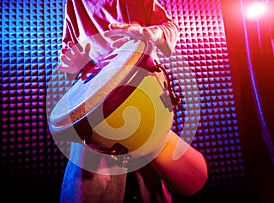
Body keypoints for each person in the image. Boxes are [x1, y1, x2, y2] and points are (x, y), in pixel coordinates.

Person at [57, 0, 209, 202]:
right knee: (87, 185)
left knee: (154, 187)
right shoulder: (75, 3)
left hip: (142, 99)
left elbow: (169, 28)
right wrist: (74, 65)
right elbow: (69, 57)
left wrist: (153, 34)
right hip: (98, 110)